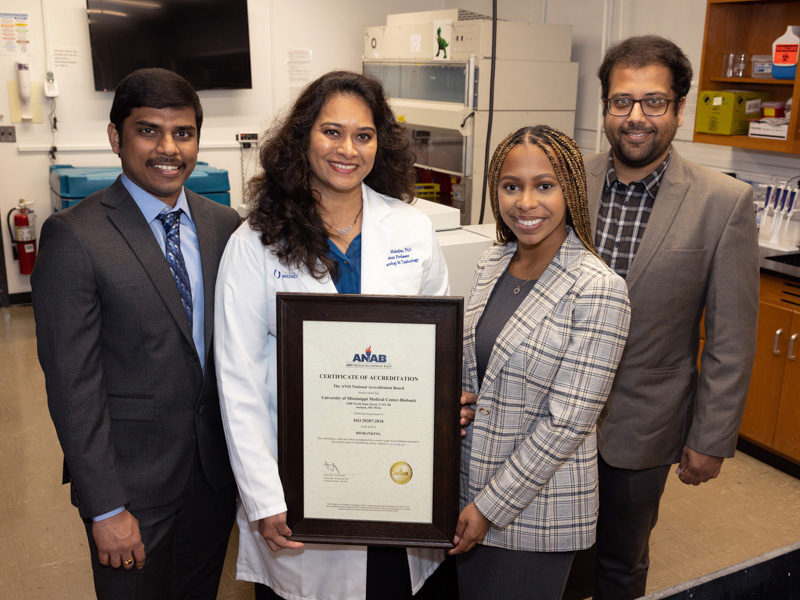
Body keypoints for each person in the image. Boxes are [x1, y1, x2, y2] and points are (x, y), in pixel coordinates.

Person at [214, 70, 455, 599]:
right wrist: (262, 495)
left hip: (397, 480)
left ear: (380, 144)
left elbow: (439, 352)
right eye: (332, 132)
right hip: (299, 487)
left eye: (363, 135)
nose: (348, 149)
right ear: (303, 137)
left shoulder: (411, 230)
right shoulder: (255, 243)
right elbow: (239, 381)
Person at [31, 68, 240, 599]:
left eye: (184, 133)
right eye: (149, 131)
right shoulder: (75, 237)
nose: (169, 148)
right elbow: (73, 387)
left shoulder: (224, 225)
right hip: (132, 489)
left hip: (213, 478)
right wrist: (105, 506)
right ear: (115, 136)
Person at [584, 35, 760, 599]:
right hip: (549, 414)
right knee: (549, 555)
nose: (636, 117)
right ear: (605, 107)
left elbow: (731, 339)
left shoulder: (723, 202)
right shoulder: (565, 183)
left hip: (644, 425)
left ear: (679, 109)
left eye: (653, 102)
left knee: (620, 562)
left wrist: (711, 438)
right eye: (622, 101)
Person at [450, 125, 631, 600]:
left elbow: (568, 423)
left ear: (569, 190)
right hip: (467, 487)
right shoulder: (495, 260)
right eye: (512, 186)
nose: (525, 202)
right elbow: (476, 368)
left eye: (544, 185)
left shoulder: (598, 287)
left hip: (536, 510)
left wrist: (489, 507)